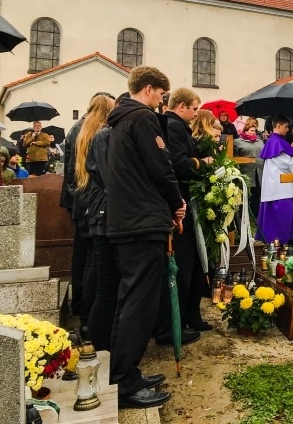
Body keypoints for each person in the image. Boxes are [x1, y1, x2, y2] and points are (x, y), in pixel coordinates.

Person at [106, 66, 183, 409]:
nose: (162, 102)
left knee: (129, 299)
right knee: (140, 303)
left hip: (126, 220)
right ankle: (124, 383)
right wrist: (176, 201)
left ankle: (124, 372)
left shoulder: (119, 120)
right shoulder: (142, 118)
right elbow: (161, 166)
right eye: (162, 95)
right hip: (142, 221)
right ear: (150, 89)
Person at [164, 88, 213, 334]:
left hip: (188, 202)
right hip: (181, 204)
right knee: (184, 265)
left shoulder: (178, 126)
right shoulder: (173, 126)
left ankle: (191, 315)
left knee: (194, 265)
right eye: (194, 108)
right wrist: (202, 164)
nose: (196, 114)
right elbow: (178, 164)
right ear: (181, 106)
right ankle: (180, 319)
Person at [73, 94, 115, 343]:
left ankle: (84, 316)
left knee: (88, 264)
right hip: (95, 203)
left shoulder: (81, 130)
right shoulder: (100, 133)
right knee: (96, 269)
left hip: (83, 200)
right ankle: (89, 322)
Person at [257, 114, 293, 245]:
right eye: (286, 127)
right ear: (278, 126)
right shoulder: (277, 142)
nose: (287, 130)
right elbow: (287, 165)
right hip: (280, 188)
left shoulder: (275, 141)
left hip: (275, 187)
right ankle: (279, 245)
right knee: (280, 219)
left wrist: (291, 150)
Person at [234, 118, 265, 218]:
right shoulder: (238, 142)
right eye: (251, 130)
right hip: (246, 172)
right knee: (245, 195)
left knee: (256, 195)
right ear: (245, 130)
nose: (254, 133)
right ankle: (243, 217)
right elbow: (234, 157)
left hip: (259, 172)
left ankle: (256, 217)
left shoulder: (260, 142)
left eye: (255, 131)